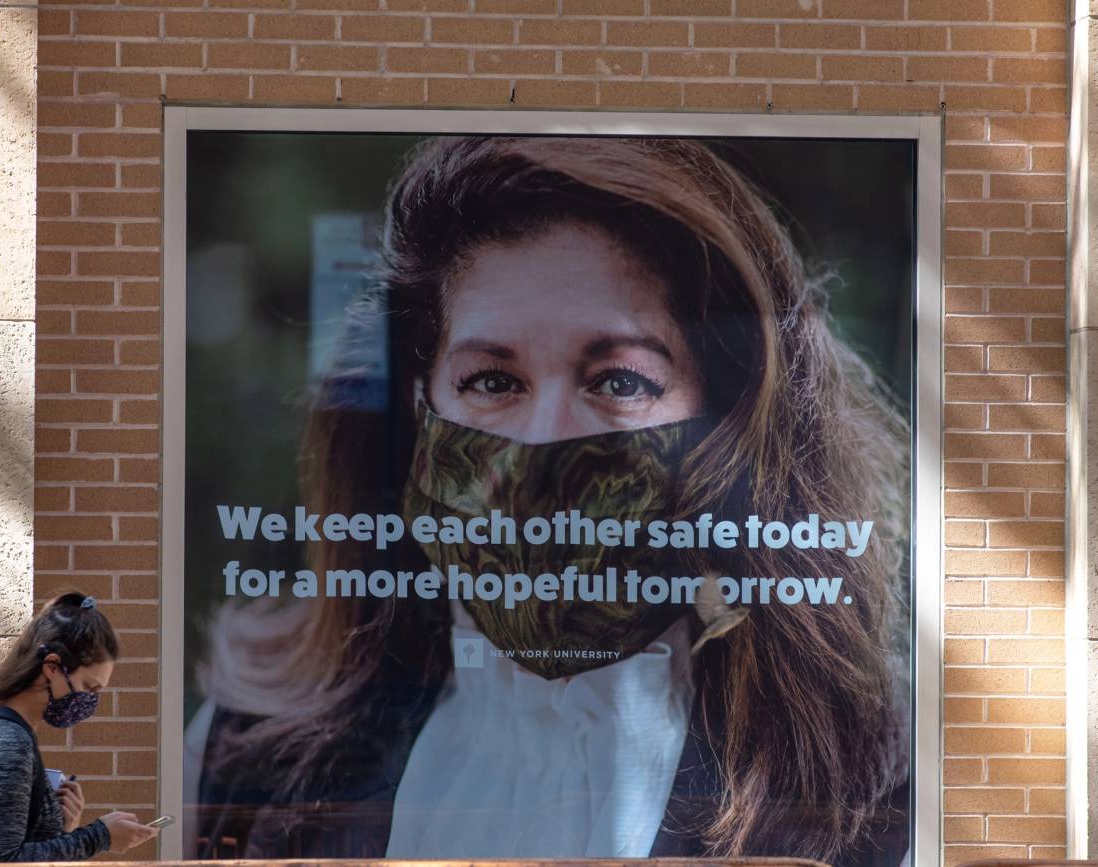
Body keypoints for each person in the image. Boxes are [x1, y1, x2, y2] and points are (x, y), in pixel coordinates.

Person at [188, 136, 911, 866]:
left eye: (620, 382)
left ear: (726, 425)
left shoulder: (872, 795)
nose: (542, 442)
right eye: (493, 382)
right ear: (418, 410)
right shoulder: (246, 751)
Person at [0, 591, 158, 862]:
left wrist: (61, 827)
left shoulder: (4, 732)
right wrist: (100, 836)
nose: (89, 701)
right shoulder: (7, 743)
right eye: (89, 687)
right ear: (53, 667)